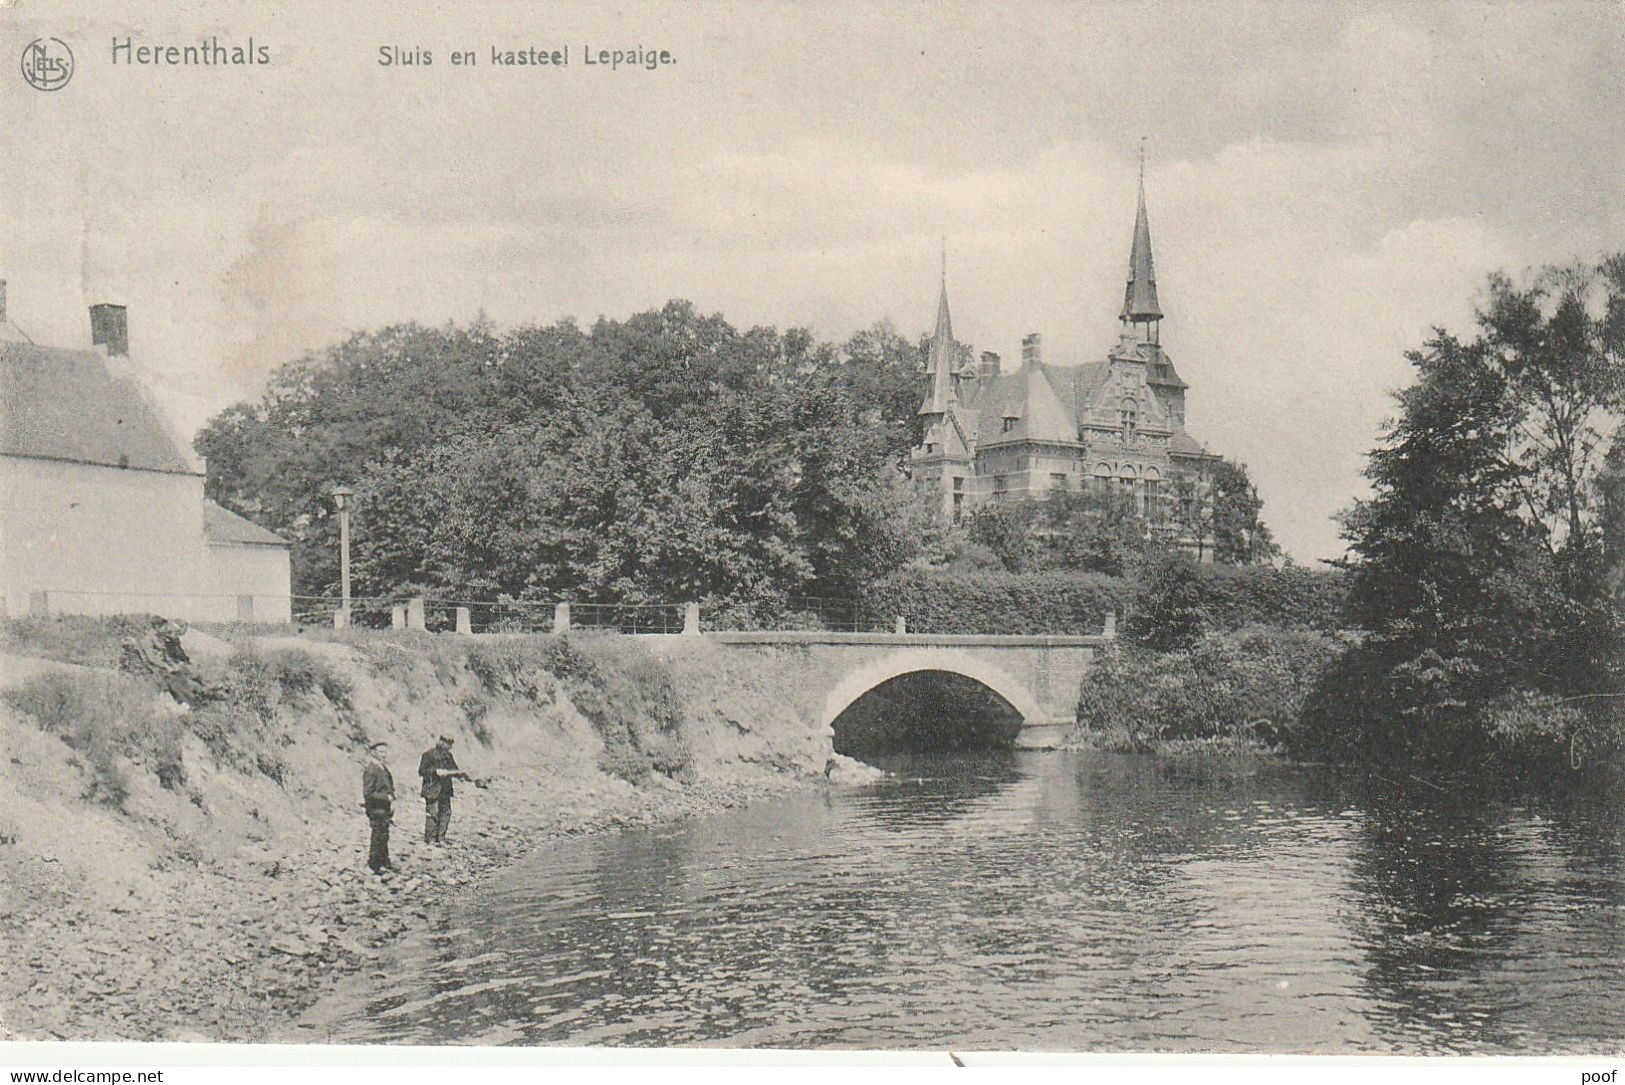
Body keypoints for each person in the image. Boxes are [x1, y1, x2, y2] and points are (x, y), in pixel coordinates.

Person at [418, 735, 466, 845]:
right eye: (447, 744)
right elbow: (421, 771)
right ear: (440, 742)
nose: (449, 747)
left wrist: (461, 775)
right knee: (433, 813)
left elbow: (454, 770)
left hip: (445, 790)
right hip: (432, 788)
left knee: (446, 813)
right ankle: (430, 839)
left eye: (450, 745)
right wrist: (436, 771)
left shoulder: (449, 756)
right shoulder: (428, 754)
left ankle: (441, 838)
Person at [362, 740, 395, 874]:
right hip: (376, 808)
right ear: (373, 752)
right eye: (381, 752)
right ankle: (374, 865)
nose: (384, 755)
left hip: (384, 808)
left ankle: (384, 862)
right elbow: (368, 793)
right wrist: (385, 798)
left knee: (384, 834)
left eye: (385, 752)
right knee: (377, 835)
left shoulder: (382, 767)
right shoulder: (371, 769)